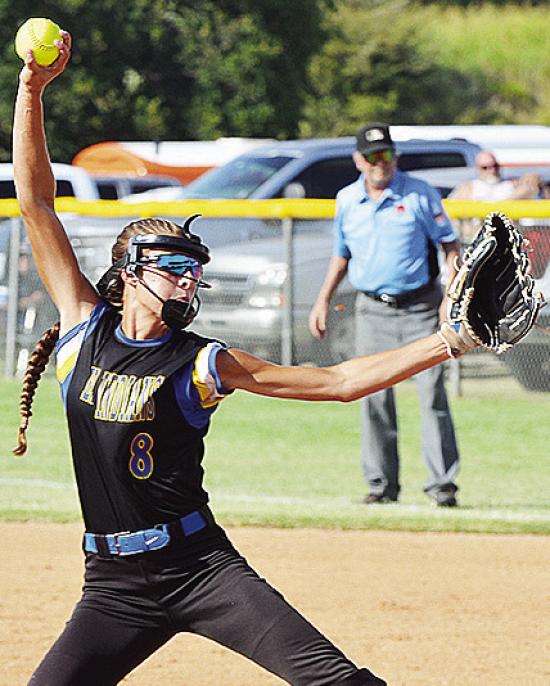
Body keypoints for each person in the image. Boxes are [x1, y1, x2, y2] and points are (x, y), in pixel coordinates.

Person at [13, 36, 475, 686]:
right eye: (177, 267)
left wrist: (449, 341)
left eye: (197, 272)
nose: (190, 282)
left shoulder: (202, 361)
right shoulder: (81, 330)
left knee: (337, 681)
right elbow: (36, 203)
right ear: (132, 271)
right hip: (112, 586)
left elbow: (338, 381)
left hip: (202, 568)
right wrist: (32, 90)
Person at [309, 123, 462, 508]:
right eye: (374, 156)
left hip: (421, 308)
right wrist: (322, 300)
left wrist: (451, 297)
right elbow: (340, 255)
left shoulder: (419, 194)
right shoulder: (346, 199)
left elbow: (450, 247)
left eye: (388, 154)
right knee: (372, 395)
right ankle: (381, 486)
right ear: (359, 160)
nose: (382, 163)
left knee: (431, 395)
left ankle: (442, 486)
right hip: (372, 309)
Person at [450, 149, 541, 202]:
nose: (492, 170)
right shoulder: (469, 187)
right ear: (478, 168)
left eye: (495, 166)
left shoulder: (510, 185)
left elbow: (533, 185)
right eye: (485, 167)